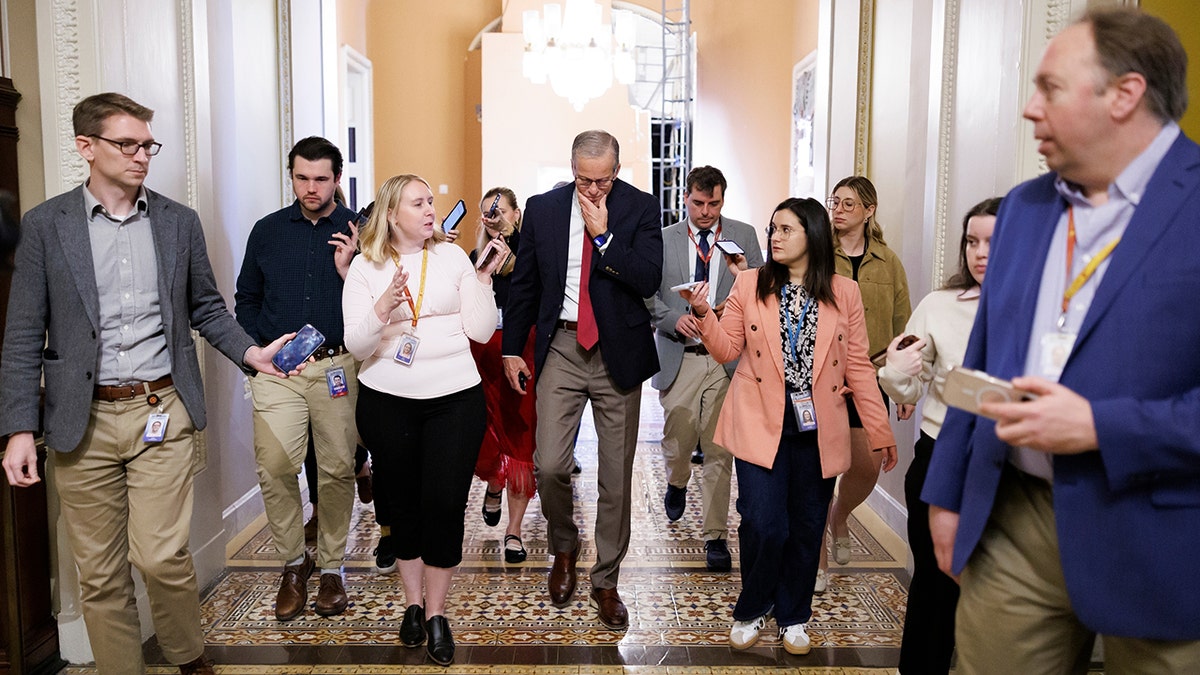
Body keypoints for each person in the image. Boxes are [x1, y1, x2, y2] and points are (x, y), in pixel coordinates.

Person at [924, 8, 1200, 673]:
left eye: (1049, 87)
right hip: (1013, 518)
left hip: (1161, 530)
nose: (1027, 108)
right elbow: (982, 359)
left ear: (1125, 94)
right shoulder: (1023, 208)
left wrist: (1101, 425)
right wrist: (947, 491)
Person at [0, 92, 303, 675]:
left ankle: (188, 656)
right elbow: (20, 335)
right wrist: (18, 428)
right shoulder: (44, 226)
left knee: (162, 556)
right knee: (100, 573)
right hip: (78, 420)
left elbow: (207, 308)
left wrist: (251, 353)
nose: (142, 156)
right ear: (86, 147)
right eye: (128, 144)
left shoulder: (176, 222)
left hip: (159, 410)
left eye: (148, 145)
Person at [682, 197, 896, 654]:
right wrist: (704, 315)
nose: (774, 238)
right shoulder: (749, 284)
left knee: (806, 525)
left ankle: (794, 615)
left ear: (812, 235)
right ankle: (754, 606)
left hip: (819, 428)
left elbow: (858, 367)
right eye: (772, 229)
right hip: (761, 422)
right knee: (763, 523)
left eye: (785, 230)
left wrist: (880, 431)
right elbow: (727, 350)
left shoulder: (844, 293)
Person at [343, 174, 508, 666]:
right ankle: (411, 605)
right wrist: (383, 307)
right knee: (403, 505)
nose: (431, 209)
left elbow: (479, 330)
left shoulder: (454, 257)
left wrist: (482, 280)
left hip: (455, 400)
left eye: (430, 201)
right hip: (387, 400)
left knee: (443, 504)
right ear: (392, 214)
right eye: (419, 203)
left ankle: (437, 614)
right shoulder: (365, 266)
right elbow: (357, 344)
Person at [502, 130, 663, 631]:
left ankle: (607, 579)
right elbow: (526, 283)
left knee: (615, 476)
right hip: (563, 349)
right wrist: (511, 347)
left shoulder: (639, 207)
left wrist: (605, 238)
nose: (593, 190)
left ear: (616, 170)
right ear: (571, 168)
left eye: (603, 180)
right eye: (584, 180)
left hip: (618, 350)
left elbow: (648, 278)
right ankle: (564, 548)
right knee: (549, 464)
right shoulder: (544, 209)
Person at [235, 136, 361, 621]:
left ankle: (331, 568)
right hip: (280, 368)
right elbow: (246, 299)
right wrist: (257, 353)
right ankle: (293, 563)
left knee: (336, 469)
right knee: (273, 465)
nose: (311, 188)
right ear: (291, 177)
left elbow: (378, 302)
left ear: (337, 180)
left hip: (337, 367)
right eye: (302, 177)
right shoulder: (266, 232)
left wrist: (351, 267)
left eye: (321, 179)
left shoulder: (356, 233)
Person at [877, 197, 999, 674]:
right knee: (933, 586)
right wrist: (896, 369)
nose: (979, 253)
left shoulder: (1037, 310)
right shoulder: (939, 305)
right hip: (940, 458)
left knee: (996, 592)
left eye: (993, 241)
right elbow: (908, 385)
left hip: (1008, 467)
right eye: (972, 241)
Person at [649, 165, 763, 572]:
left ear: (722, 200)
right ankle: (677, 480)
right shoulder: (664, 240)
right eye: (698, 203)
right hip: (681, 352)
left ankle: (716, 535)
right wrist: (670, 319)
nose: (706, 211)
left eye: (714, 203)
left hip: (725, 359)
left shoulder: (744, 234)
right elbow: (648, 295)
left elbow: (759, 290)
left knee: (719, 448)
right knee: (679, 432)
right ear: (686, 199)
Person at [821, 175, 907, 585]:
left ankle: (840, 516)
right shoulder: (819, 255)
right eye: (834, 201)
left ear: (869, 211)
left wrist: (905, 382)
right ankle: (815, 556)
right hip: (824, 377)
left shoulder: (888, 262)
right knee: (820, 467)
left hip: (870, 376)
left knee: (867, 466)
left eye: (848, 204)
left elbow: (902, 325)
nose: (837, 209)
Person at [469, 187, 538, 564]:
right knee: (484, 436)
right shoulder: (475, 258)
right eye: (486, 213)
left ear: (516, 214)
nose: (492, 218)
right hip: (480, 358)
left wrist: (513, 244)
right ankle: (494, 481)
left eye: (499, 211)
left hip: (521, 353)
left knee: (521, 436)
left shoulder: (529, 255)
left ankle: (514, 530)